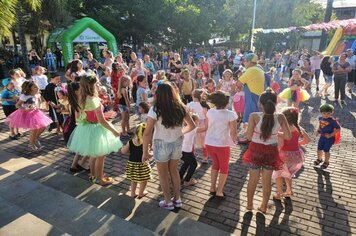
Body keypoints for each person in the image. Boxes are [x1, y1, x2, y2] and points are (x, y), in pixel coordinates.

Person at [143, 81, 196, 210]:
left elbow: (147, 133)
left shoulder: (155, 109)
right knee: (174, 171)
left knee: (163, 174)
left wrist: (145, 152)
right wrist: (180, 132)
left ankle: (168, 201)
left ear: (158, 95)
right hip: (177, 142)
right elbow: (192, 125)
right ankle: (177, 199)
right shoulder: (180, 107)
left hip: (161, 143)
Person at [67, 72, 122, 186]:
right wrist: (114, 131)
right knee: (100, 156)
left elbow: (81, 116)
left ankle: (93, 176)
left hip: (86, 128)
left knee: (93, 154)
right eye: (96, 83)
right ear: (92, 85)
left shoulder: (82, 98)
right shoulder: (93, 99)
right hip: (96, 128)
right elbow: (101, 120)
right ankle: (100, 178)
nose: (98, 85)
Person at [243, 89, 291, 213]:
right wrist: (275, 133)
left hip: (255, 150)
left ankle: (249, 205)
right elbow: (288, 136)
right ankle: (264, 206)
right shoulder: (280, 117)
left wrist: (246, 130)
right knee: (267, 181)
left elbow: (248, 137)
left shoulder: (254, 116)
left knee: (252, 179)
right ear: (276, 103)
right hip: (271, 151)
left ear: (260, 104)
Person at [204, 91, 237, 199]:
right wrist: (234, 141)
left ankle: (212, 187)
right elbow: (233, 132)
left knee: (215, 165)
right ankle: (219, 191)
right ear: (226, 103)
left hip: (209, 142)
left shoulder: (210, 112)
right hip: (222, 144)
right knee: (224, 167)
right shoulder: (230, 114)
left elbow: (207, 126)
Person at [272, 107, 310, 200]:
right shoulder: (298, 128)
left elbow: (280, 145)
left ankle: (279, 193)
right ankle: (289, 191)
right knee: (287, 174)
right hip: (296, 155)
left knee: (279, 175)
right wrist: (298, 143)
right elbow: (307, 140)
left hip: (284, 156)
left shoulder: (281, 130)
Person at [6, 81, 53, 150]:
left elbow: (37, 102)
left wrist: (39, 107)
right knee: (34, 129)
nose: (37, 88)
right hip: (28, 113)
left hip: (36, 112)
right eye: (35, 87)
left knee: (43, 126)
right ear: (30, 88)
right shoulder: (25, 96)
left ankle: (35, 139)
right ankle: (31, 144)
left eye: (37, 86)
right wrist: (25, 108)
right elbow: (17, 105)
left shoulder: (37, 94)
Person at [121, 123, 151, 198]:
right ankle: (141, 193)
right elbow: (147, 155)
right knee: (144, 179)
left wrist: (123, 148)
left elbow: (123, 151)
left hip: (132, 164)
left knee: (133, 179)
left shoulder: (130, 142)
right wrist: (153, 153)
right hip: (142, 165)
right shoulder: (145, 143)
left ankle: (133, 193)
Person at [314, 104, 341, 169]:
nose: (326, 115)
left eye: (328, 113)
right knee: (319, 148)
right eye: (324, 113)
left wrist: (330, 135)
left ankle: (326, 162)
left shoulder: (333, 121)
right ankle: (319, 159)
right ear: (321, 113)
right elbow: (321, 125)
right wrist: (318, 130)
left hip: (329, 139)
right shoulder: (320, 118)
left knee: (326, 150)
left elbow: (338, 129)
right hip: (322, 137)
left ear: (332, 112)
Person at [187, 89, 209, 163]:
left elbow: (187, 115)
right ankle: (205, 157)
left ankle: (191, 156)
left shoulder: (190, 104)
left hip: (193, 123)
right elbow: (206, 117)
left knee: (191, 140)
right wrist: (206, 126)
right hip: (203, 124)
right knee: (204, 141)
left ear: (193, 96)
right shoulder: (204, 105)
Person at [179, 114, 199, 186]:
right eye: (197, 120)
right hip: (186, 150)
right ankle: (187, 181)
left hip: (181, 149)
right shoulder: (193, 128)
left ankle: (179, 178)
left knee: (187, 163)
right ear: (193, 121)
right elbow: (205, 128)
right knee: (194, 164)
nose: (198, 122)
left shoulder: (184, 127)